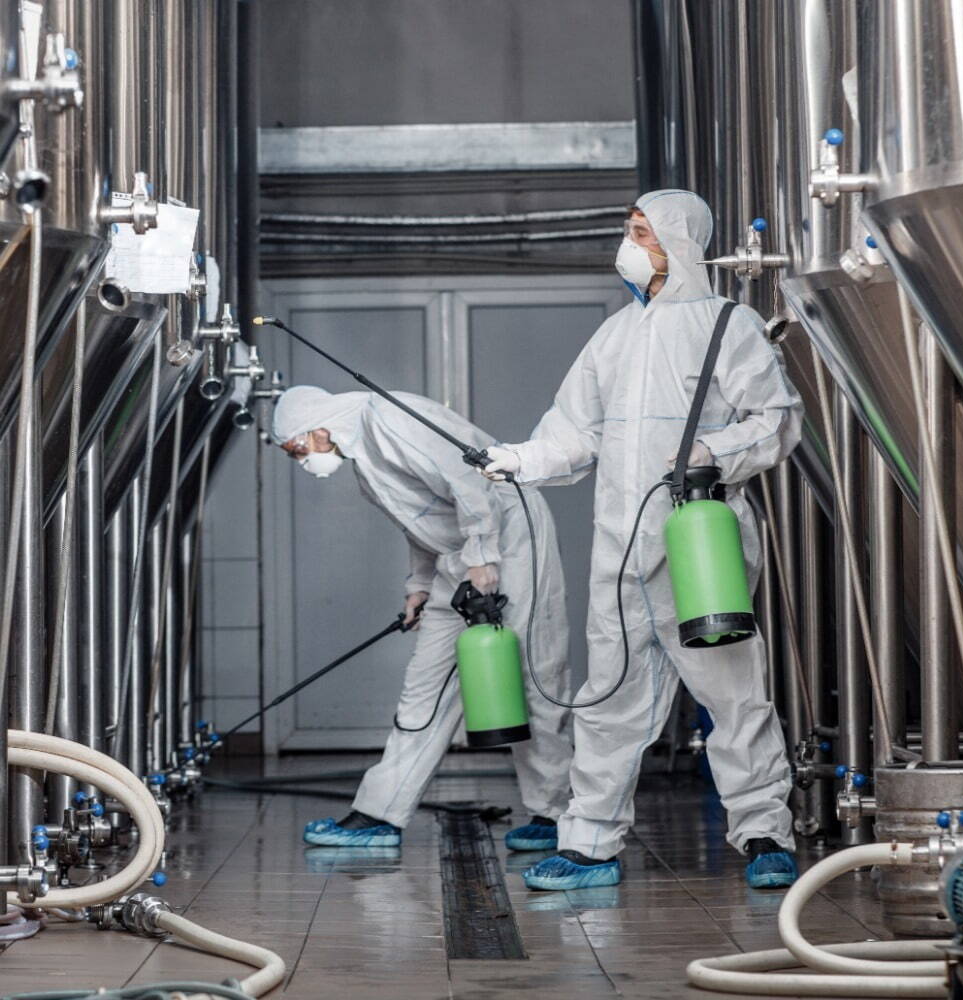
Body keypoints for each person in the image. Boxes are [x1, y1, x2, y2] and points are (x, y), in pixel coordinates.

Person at [482, 189, 804, 891]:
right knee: (609, 699)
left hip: (699, 543)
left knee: (731, 694)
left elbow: (775, 420)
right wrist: (522, 459)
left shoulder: (728, 325)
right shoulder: (615, 335)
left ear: (677, 244)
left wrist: (712, 451)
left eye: (640, 232)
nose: (628, 244)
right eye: (628, 230)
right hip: (619, 548)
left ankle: (763, 835)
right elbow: (573, 431)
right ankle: (589, 843)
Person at [272, 386, 574, 852]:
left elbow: (468, 479)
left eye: (297, 448)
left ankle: (553, 814)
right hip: (461, 557)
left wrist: (482, 554)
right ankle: (379, 814)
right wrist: (418, 585)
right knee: (423, 689)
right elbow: (421, 523)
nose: (300, 460)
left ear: (318, 428)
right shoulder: (365, 463)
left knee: (534, 674)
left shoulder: (390, 419)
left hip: (511, 542)